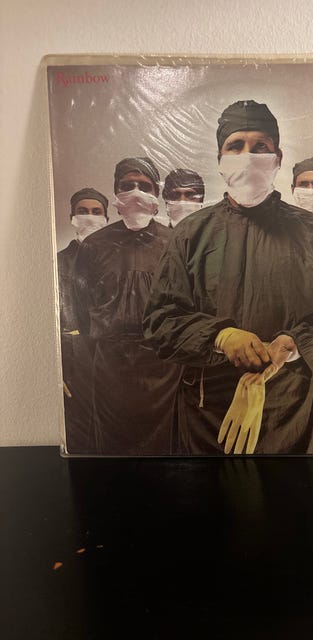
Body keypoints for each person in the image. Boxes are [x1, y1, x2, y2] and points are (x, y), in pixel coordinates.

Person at [143, 100, 313, 455]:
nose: (248, 157)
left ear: (278, 158)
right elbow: (160, 320)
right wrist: (221, 336)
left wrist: (294, 343)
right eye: (236, 146)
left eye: (260, 147)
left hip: (293, 410)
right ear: (220, 160)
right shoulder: (191, 233)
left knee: (295, 491)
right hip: (209, 411)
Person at [73, 157, 183, 454]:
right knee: (112, 449)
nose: (135, 192)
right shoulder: (94, 245)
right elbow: (80, 308)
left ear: (156, 194)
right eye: (127, 186)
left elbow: (187, 304)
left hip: (163, 368)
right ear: (116, 192)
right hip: (111, 366)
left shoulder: (175, 243)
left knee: (164, 449)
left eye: (144, 186)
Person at [58, 187, 108, 453]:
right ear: (72, 218)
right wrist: (57, 370)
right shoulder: (58, 263)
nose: (89, 217)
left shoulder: (118, 261)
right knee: (82, 438)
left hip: (115, 359)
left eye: (96, 212)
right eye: (83, 211)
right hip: (75, 361)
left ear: (107, 218)